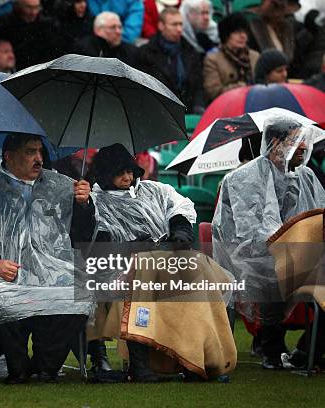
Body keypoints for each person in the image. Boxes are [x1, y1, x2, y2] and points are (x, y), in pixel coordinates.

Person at [0, 133, 96, 383]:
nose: (38, 158)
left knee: (80, 296)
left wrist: (84, 205)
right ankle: (18, 366)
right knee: (2, 300)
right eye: (30, 152)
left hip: (52, 273)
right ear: (8, 156)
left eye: (40, 152)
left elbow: (82, 235)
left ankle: (47, 366)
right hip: (1, 273)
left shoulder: (62, 185)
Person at [89, 143, 238, 382]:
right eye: (120, 173)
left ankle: (200, 359)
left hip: (165, 259)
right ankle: (143, 364)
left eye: (129, 171)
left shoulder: (154, 190)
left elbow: (178, 208)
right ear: (106, 174)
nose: (127, 177)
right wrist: (136, 246)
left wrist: (180, 232)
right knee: (147, 277)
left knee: (201, 275)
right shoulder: (95, 202)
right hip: (123, 268)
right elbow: (99, 243)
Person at [212, 116, 325, 369]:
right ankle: (274, 346)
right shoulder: (245, 177)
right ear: (276, 143)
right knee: (275, 272)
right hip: (254, 257)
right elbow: (251, 231)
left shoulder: (305, 176)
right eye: (297, 141)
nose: (305, 147)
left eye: (304, 140)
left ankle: (306, 352)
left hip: (297, 254)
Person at [138, 7, 205, 113]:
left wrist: (199, 105)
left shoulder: (191, 52)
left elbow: (198, 85)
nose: (179, 29)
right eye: (174, 25)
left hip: (188, 111)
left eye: (180, 24)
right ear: (161, 26)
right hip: (159, 112)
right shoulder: (145, 53)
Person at [0, 0, 64, 70]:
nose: (33, 12)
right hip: (13, 71)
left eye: (37, 7)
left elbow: (54, 50)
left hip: (40, 70)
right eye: (29, 7)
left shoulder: (48, 26)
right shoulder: (2, 24)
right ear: (19, 6)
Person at [203, 13, 260, 102]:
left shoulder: (255, 56)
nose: (243, 36)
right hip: (226, 105)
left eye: (245, 32)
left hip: (254, 102)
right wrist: (239, 88)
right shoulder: (213, 59)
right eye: (237, 32)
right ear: (226, 35)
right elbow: (213, 92)